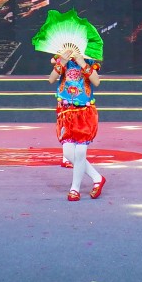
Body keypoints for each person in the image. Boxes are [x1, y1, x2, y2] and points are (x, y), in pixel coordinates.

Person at [50, 46, 105, 201]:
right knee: (68, 153)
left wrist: (82, 63)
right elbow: (51, 79)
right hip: (66, 112)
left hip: (84, 113)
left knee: (80, 153)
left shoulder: (89, 60)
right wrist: (62, 61)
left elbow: (96, 82)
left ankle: (75, 189)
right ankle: (97, 177)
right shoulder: (63, 59)